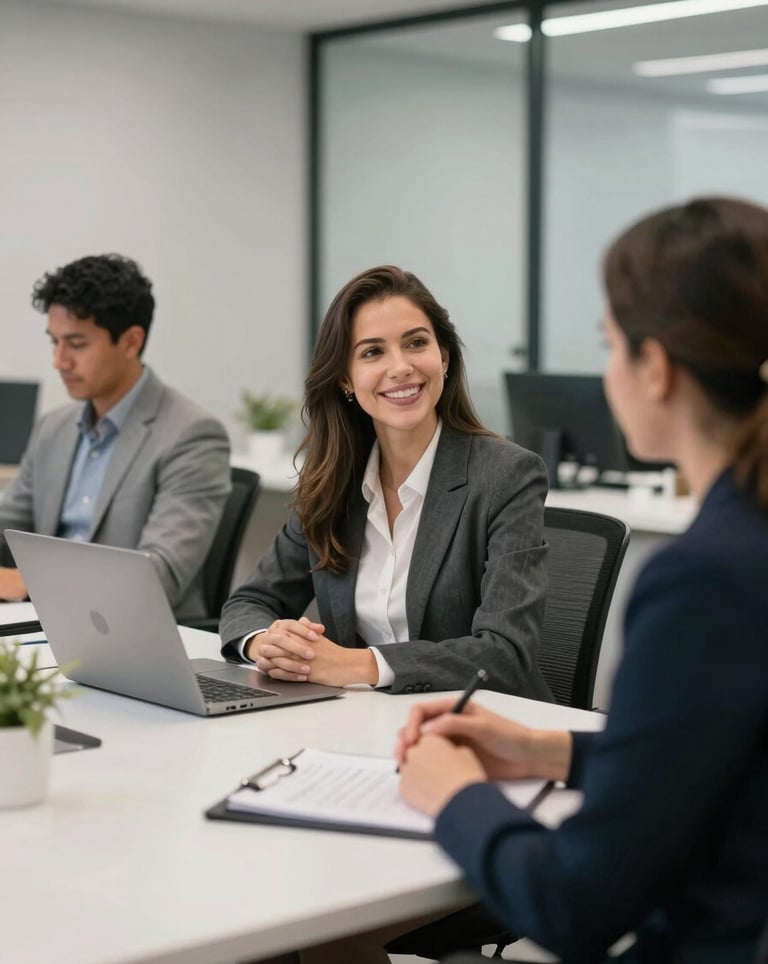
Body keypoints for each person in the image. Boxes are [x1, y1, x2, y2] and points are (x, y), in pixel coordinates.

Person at [392, 197, 768, 964]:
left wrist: (452, 795)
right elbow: (725, 762)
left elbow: (573, 905)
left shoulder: (704, 580)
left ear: (655, 366)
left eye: (609, 345)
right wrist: (547, 752)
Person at [220, 265, 552, 697]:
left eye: (416, 343)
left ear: (444, 358)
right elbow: (248, 604)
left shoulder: (506, 476)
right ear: (345, 379)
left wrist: (355, 665)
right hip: (366, 725)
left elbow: (504, 654)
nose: (401, 367)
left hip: (478, 730)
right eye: (372, 352)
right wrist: (267, 643)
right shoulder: (333, 481)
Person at [0, 253, 231, 620]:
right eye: (54, 342)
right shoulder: (53, 428)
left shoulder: (192, 435)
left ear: (130, 342)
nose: (59, 361)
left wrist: (30, 585)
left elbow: (159, 575)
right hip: (45, 625)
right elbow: (6, 527)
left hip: (136, 636)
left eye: (76, 344)